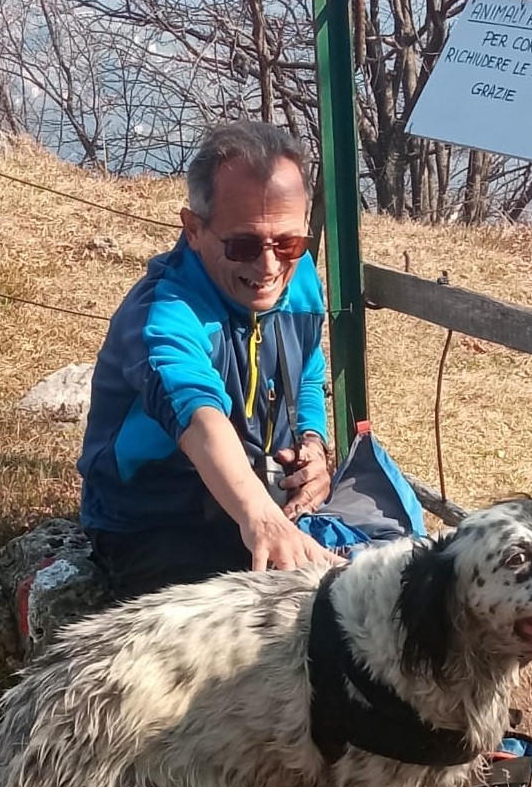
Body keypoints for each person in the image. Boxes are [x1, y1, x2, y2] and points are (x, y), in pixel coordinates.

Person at [78, 120, 342, 599]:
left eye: (288, 242)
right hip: (157, 519)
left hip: (265, 493)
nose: (268, 267)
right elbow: (199, 417)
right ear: (194, 229)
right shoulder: (163, 315)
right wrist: (261, 519)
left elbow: (307, 370)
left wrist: (313, 444)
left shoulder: (300, 277)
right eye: (243, 245)